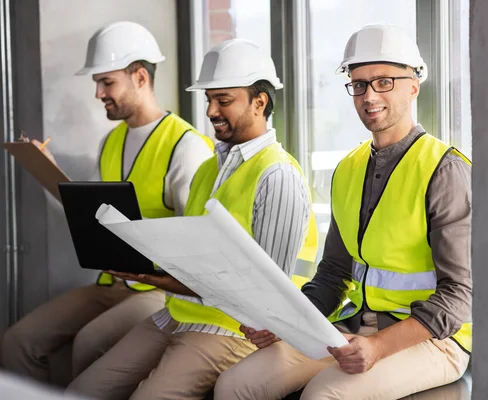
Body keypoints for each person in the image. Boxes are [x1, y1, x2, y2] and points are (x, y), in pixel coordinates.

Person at [214, 22, 473, 400]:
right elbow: (334, 274)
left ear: (413, 85)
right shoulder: (349, 169)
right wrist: (283, 323)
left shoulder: (444, 169)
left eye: (384, 81)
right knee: (235, 385)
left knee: (324, 395)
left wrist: (380, 346)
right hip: (355, 327)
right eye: (359, 84)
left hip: (434, 339)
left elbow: (459, 295)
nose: (369, 95)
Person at [66, 38, 316, 400]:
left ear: (260, 103)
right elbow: (195, 254)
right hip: (177, 313)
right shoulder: (209, 169)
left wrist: (159, 279)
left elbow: (266, 296)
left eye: (224, 101)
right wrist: (154, 266)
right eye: (209, 100)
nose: (212, 111)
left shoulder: (276, 174)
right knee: (81, 391)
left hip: (234, 328)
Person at [1, 21, 214, 383]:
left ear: (141, 78)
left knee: (89, 342)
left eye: (107, 82)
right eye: (97, 83)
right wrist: (48, 172)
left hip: (158, 289)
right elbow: (94, 219)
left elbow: (197, 238)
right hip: (110, 281)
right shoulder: (111, 142)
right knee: (17, 342)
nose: (98, 93)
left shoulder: (186, 147)